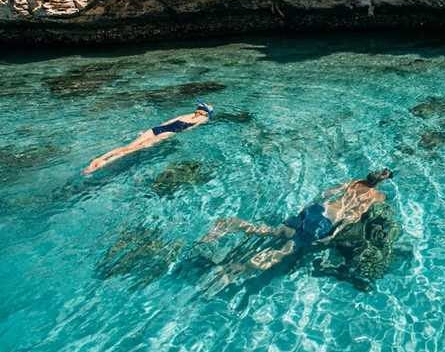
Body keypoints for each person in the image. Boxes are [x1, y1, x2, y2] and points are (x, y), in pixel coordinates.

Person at [202, 168, 394, 272]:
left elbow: (327, 193)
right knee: (287, 249)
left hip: (316, 210)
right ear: (382, 182)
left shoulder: (354, 182)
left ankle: (233, 224)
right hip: (325, 222)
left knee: (276, 231)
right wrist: (333, 235)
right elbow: (353, 216)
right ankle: (241, 268)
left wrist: (309, 208)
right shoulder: (375, 196)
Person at [83, 102, 214, 175]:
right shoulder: (204, 119)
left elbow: (166, 122)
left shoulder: (187, 113)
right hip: (166, 134)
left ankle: (100, 158)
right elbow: (187, 130)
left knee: (128, 146)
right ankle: (101, 165)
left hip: (155, 130)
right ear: (207, 112)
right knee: (131, 151)